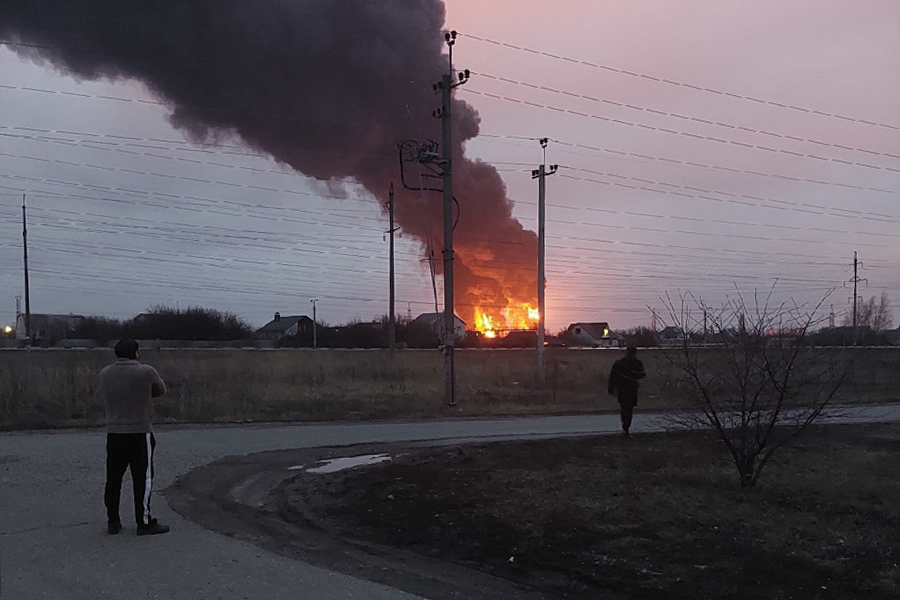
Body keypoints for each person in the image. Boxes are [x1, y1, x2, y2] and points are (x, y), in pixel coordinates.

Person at [100, 338, 170, 535]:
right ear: (136, 352)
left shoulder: (105, 373)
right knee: (143, 478)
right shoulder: (146, 371)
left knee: (113, 478)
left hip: (114, 431)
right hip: (140, 430)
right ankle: (144, 521)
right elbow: (160, 390)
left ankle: (113, 521)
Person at [607, 346, 646, 438]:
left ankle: (625, 428)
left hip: (622, 389)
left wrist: (611, 388)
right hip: (632, 389)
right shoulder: (637, 363)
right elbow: (642, 375)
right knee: (629, 409)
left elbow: (612, 377)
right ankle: (626, 428)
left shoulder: (619, 363)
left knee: (624, 407)